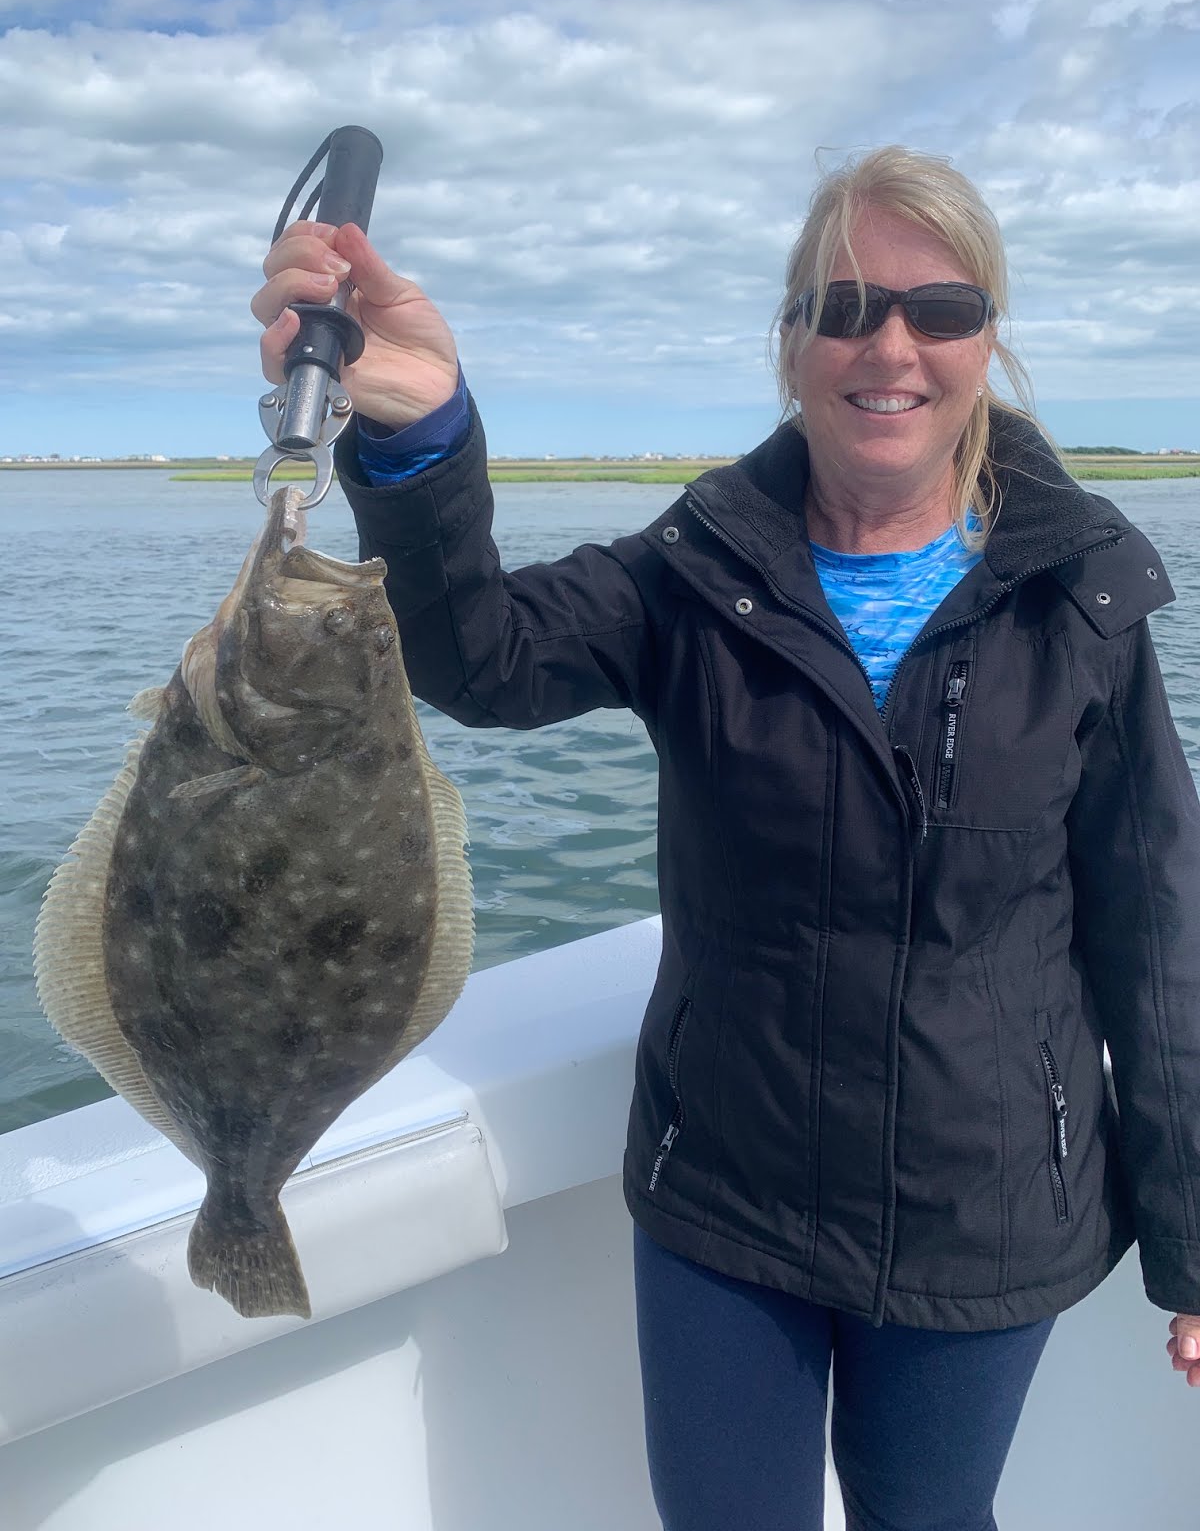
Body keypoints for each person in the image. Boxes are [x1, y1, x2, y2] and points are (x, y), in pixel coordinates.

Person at [253, 144, 1200, 1531]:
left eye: (938, 311)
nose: (889, 345)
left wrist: (1190, 1232)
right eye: (843, 306)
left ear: (987, 343)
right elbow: (484, 657)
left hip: (987, 1200)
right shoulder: (697, 566)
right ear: (791, 345)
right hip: (727, 1198)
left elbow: (1156, 929)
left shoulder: (1083, 596)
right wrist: (417, 434)